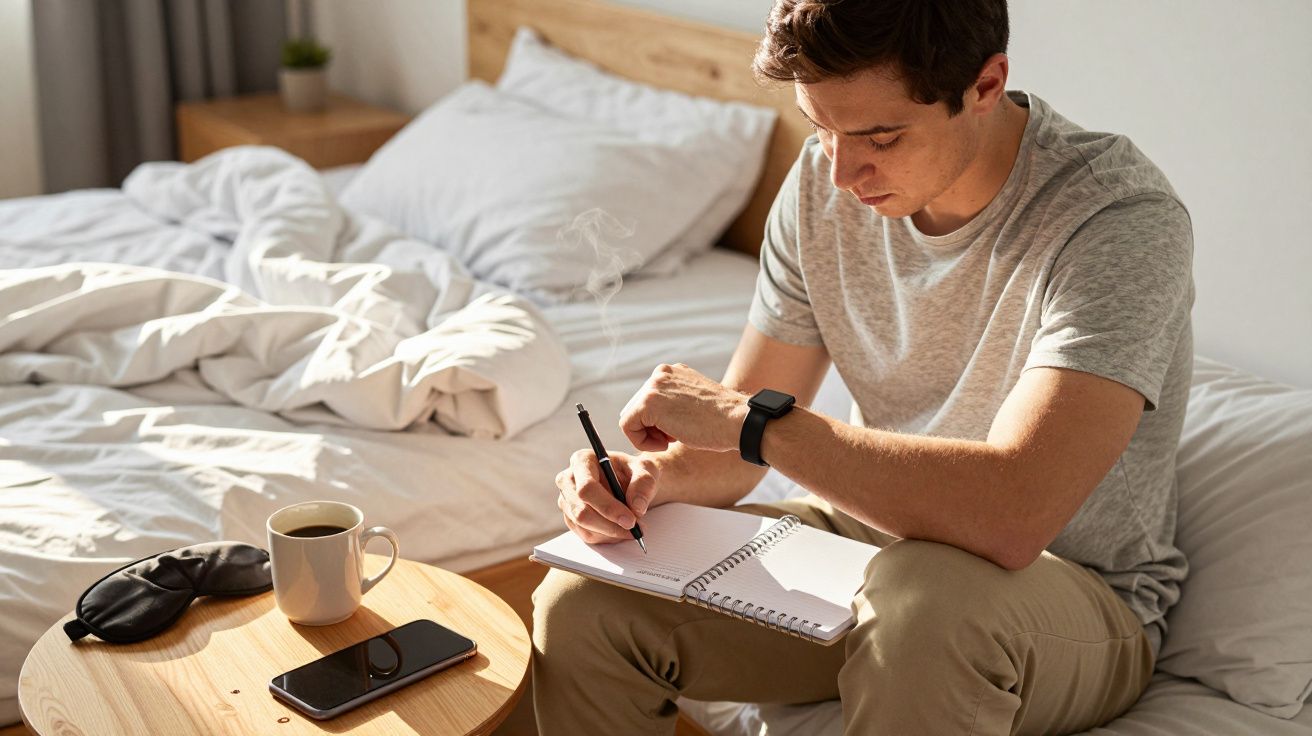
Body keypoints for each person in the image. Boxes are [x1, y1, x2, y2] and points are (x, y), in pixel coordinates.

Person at [533, 0, 1194, 733]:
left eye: (881, 136)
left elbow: (1015, 514)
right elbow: (736, 446)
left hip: (1065, 591)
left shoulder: (1117, 219)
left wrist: (754, 425)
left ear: (985, 84)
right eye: (821, 130)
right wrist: (642, 483)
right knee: (585, 601)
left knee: (927, 598)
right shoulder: (823, 183)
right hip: (865, 549)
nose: (843, 172)